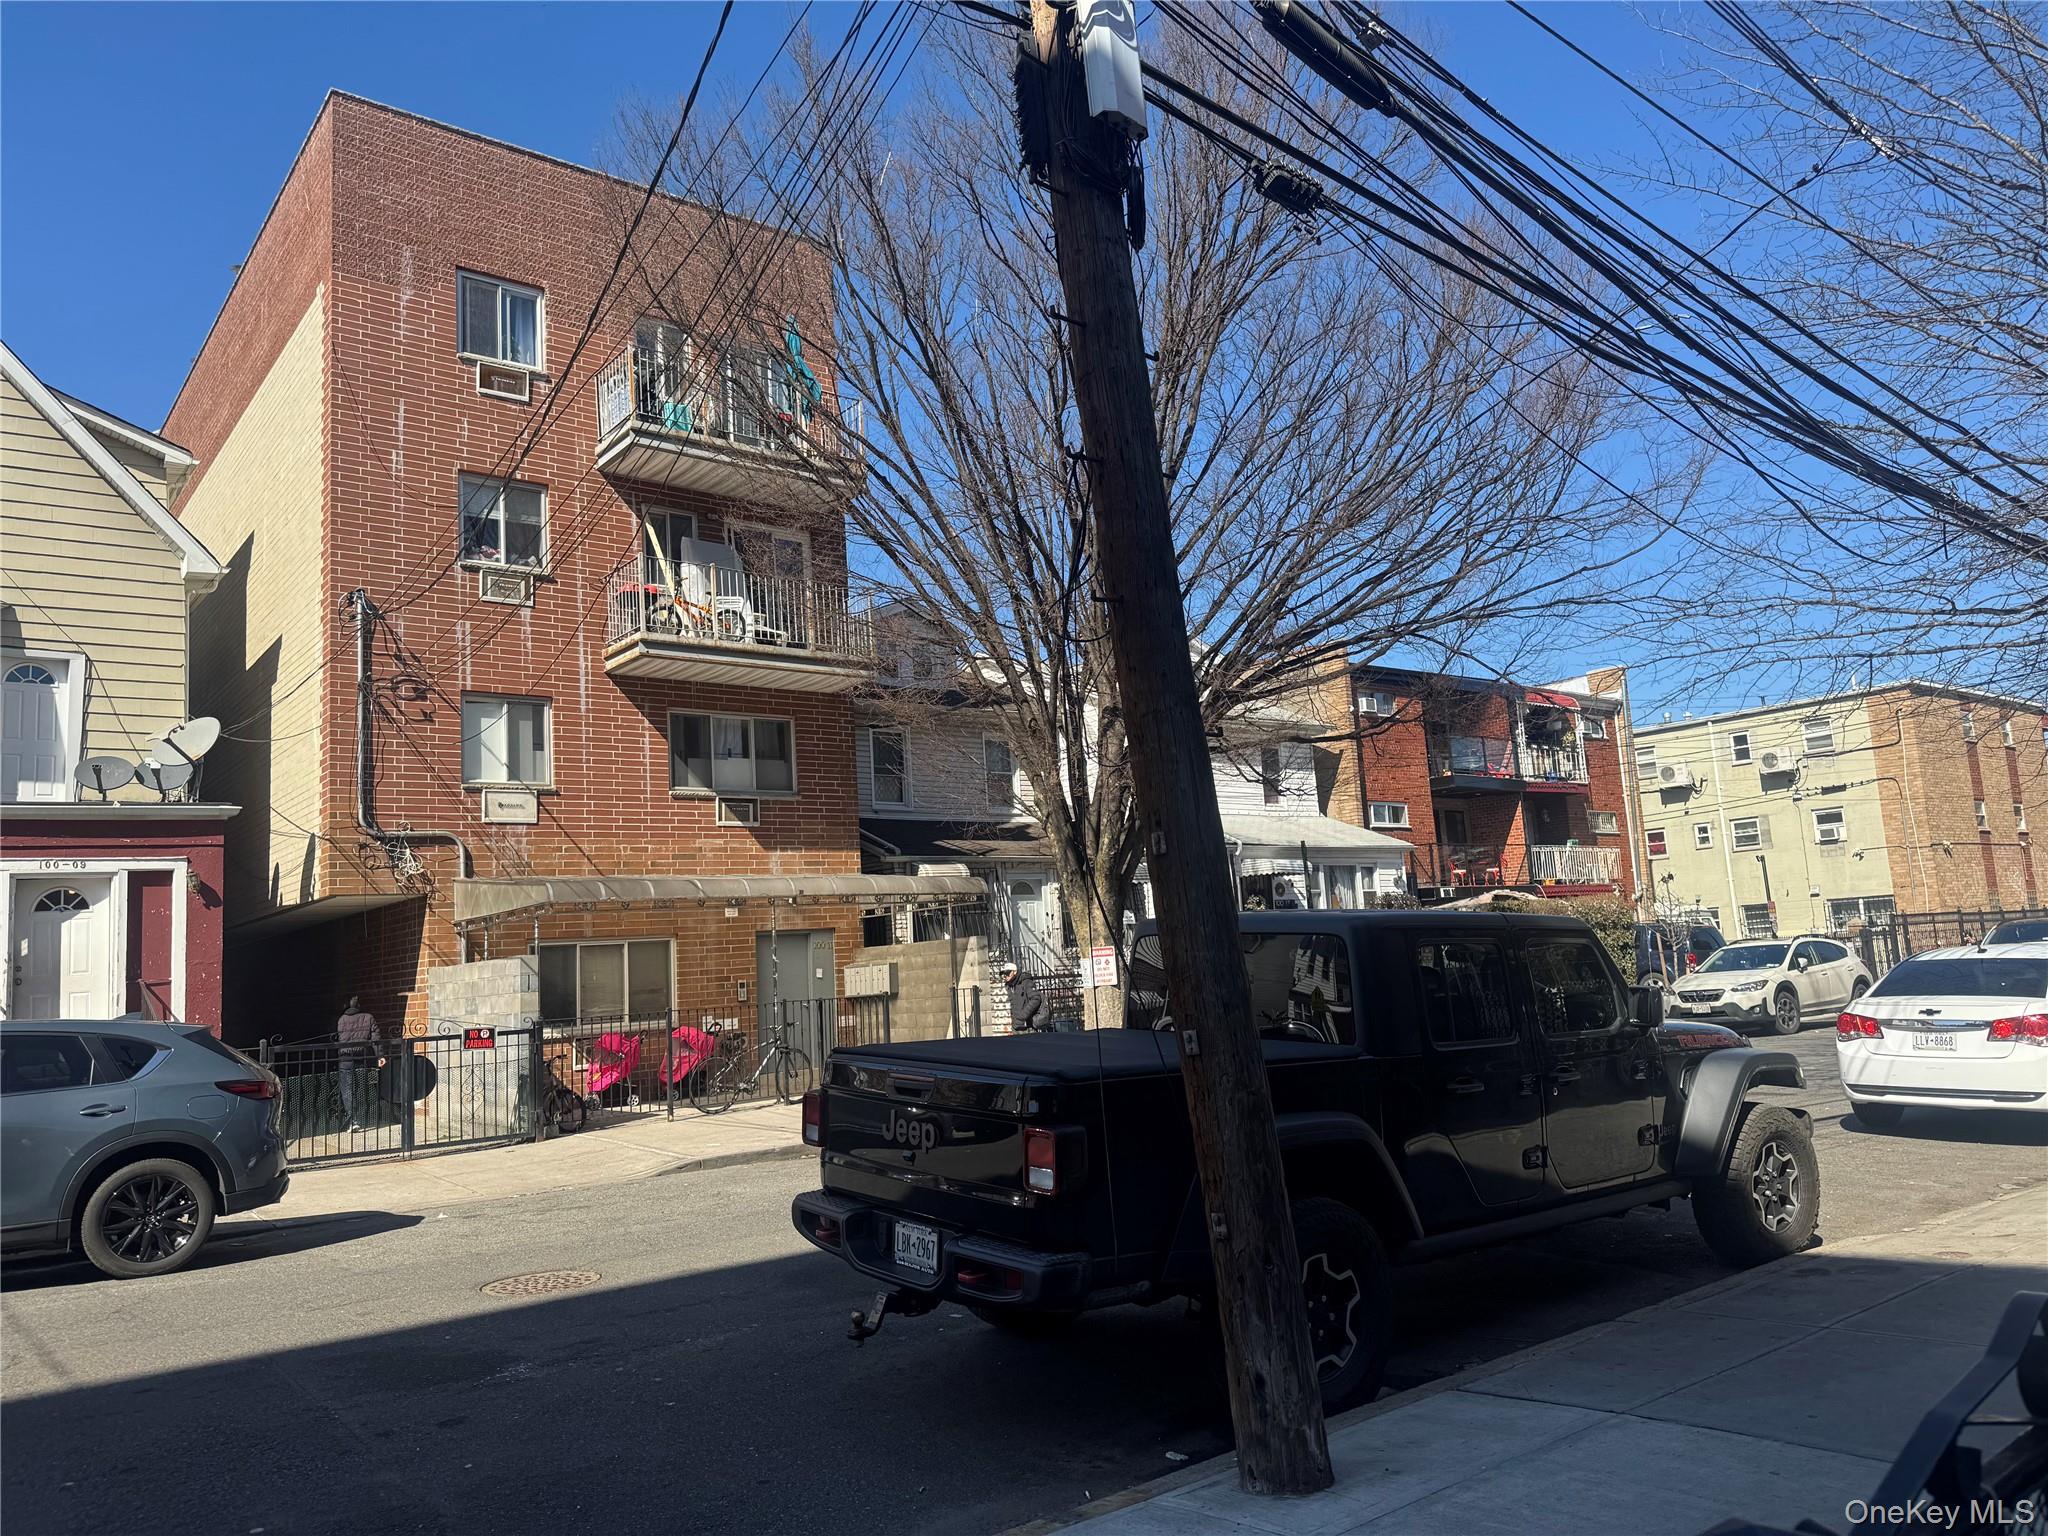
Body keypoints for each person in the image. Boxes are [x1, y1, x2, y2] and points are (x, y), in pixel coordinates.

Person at [336, 996, 386, 1133]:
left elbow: (339, 1037)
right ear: (359, 1006)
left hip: (345, 1058)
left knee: (347, 1089)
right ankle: (360, 1117)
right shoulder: (368, 1018)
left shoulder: (341, 1019)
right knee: (360, 1087)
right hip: (362, 1057)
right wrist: (380, 1056)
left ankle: (353, 1120)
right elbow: (376, 1038)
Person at [1002, 963, 1052, 1034]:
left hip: (1027, 1026)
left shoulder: (1026, 982)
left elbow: (1036, 999)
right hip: (1016, 1026)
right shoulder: (1010, 986)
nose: (1005, 976)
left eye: (1007, 973)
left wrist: (1023, 1016)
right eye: (1004, 974)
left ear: (1014, 972)